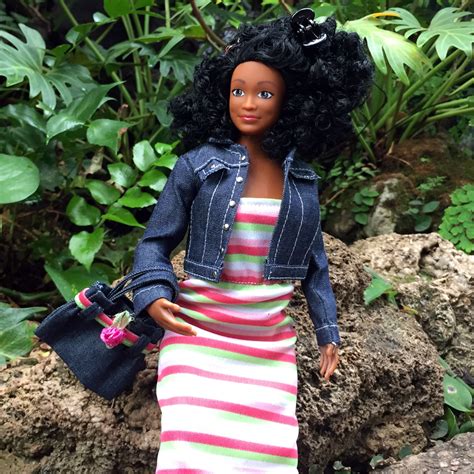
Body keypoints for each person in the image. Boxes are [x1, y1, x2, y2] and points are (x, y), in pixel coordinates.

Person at [132, 8, 374, 472]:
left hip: (267, 341)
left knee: (268, 454)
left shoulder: (301, 182)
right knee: (188, 447)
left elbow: (316, 267)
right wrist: (153, 293)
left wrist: (328, 334)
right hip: (197, 332)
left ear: (290, 103)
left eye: (264, 93)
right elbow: (153, 243)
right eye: (237, 90)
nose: (247, 103)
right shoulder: (198, 166)